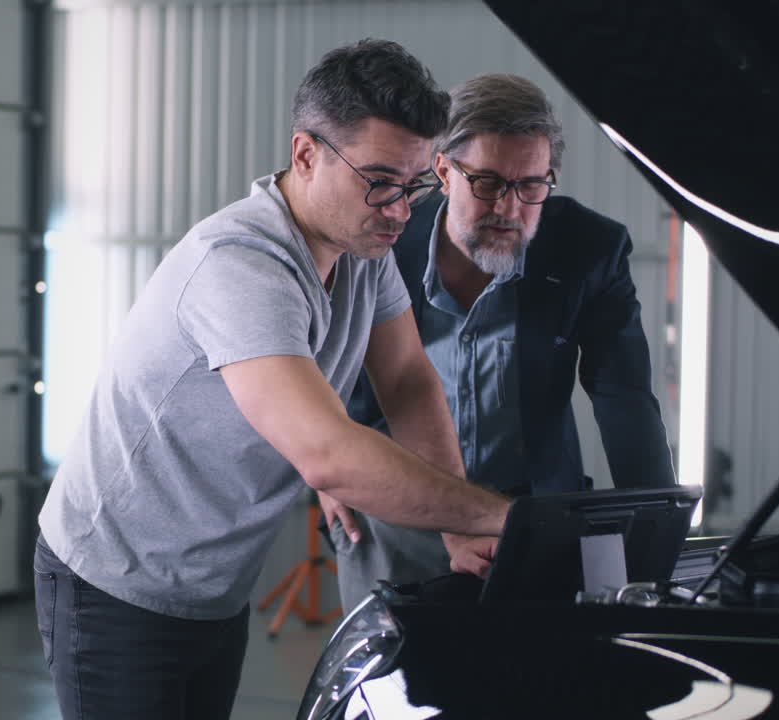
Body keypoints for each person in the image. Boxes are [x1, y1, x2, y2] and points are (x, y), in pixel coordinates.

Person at [32, 40, 509, 720]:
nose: (400, 211)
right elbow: (326, 451)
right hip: (115, 583)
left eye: (413, 186)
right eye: (379, 180)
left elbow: (406, 380)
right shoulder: (240, 266)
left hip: (216, 584)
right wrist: (496, 516)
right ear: (307, 155)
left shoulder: (361, 248)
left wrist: (458, 530)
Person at [320, 73, 677, 608]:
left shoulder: (590, 249)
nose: (509, 208)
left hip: (527, 517)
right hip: (395, 513)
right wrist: (324, 473)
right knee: (392, 682)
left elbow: (623, 395)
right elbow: (319, 361)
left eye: (531, 185)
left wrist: (658, 535)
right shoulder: (381, 242)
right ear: (442, 171)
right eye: (487, 183)